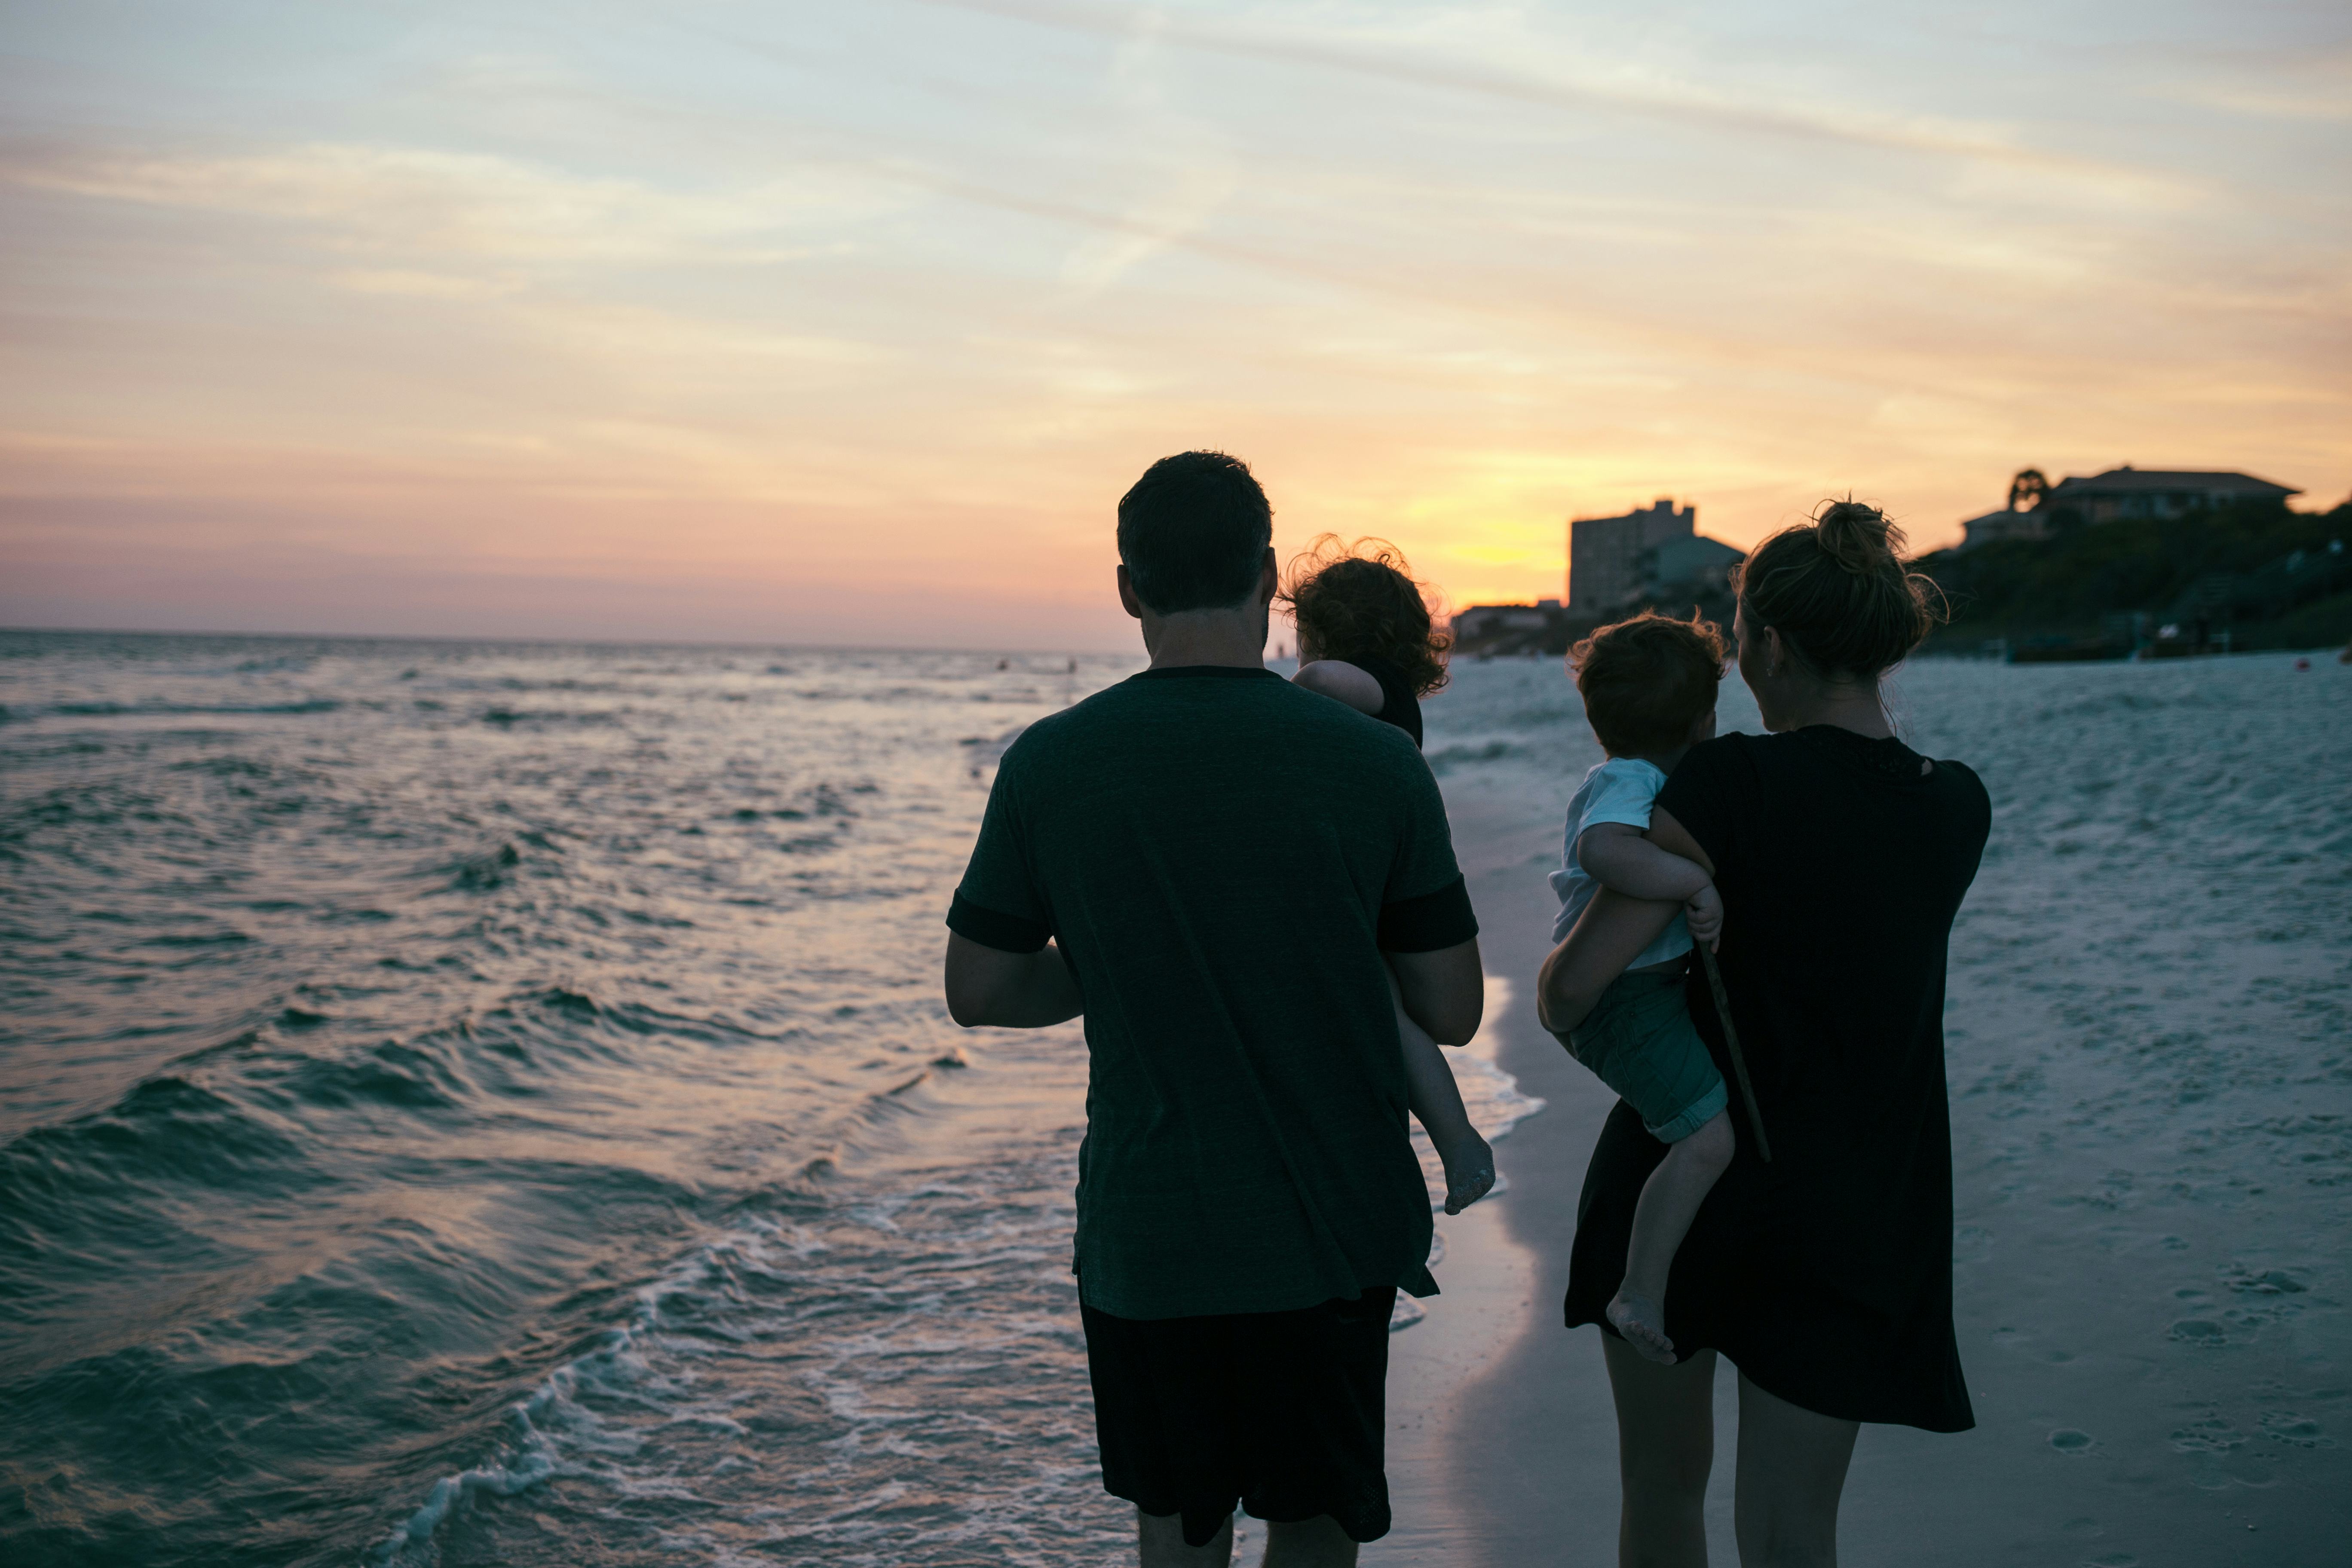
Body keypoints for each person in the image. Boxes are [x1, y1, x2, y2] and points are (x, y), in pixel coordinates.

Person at [943, 451, 1485, 1568]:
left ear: (1128, 588)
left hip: (1155, 1232)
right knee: (1314, 1534)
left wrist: (1129, 948)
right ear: (1269, 573)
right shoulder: (1378, 764)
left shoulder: (1052, 762)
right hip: (1333, 1226)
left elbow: (983, 988)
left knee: (1179, 1540)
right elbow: (1452, 1002)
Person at [1537, 500, 1990, 1567]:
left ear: (1774, 646)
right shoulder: (1955, 807)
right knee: (1794, 1536)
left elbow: (1572, 993)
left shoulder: (1727, 783)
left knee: (1662, 1492)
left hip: (1685, 1174)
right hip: (1859, 1197)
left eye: (1740, 641)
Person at [1281, 536, 1494, 1214]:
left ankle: (1459, 1138)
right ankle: (1456, 1138)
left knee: (1385, 1006)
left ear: (1326, 632)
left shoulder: (1372, 684)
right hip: (1368, 879)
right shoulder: (1392, 695)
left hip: (1360, 888)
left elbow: (1321, 684)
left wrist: (1275, 694)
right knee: (1390, 1014)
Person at [1544, 612, 1734, 1364]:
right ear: (1705, 721)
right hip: (1621, 998)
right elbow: (1604, 848)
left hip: (1634, 991)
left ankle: (1642, 1285)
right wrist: (1691, 880)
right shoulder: (1630, 781)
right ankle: (1639, 1289)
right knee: (1706, 1138)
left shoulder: (1632, 773)